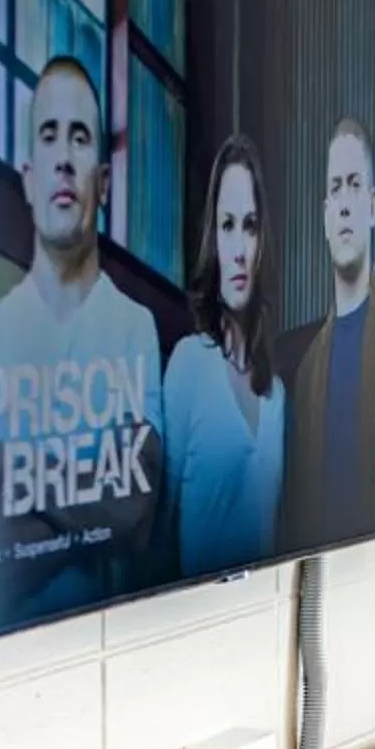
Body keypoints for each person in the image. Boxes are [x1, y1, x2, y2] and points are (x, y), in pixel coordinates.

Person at [0, 53, 165, 640]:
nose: (64, 157)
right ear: (29, 174)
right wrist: (95, 518)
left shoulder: (135, 328)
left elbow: (137, 513)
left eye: (81, 137)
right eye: (49, 136)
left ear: (104, 180)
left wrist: (9, 469)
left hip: (124, 644)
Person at [280, 115, 375, 555]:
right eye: (335, 189)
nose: (344, 203)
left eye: (353, 185)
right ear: (326, 214)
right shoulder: (310, 366)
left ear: (373, 206)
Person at [162, 135, 287, 577]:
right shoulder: (188, 365)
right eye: (227, 225)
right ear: (212, 239)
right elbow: (160, 528)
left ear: (262, 242)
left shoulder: (277, 395)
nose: (238, 249)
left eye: (250, 226)